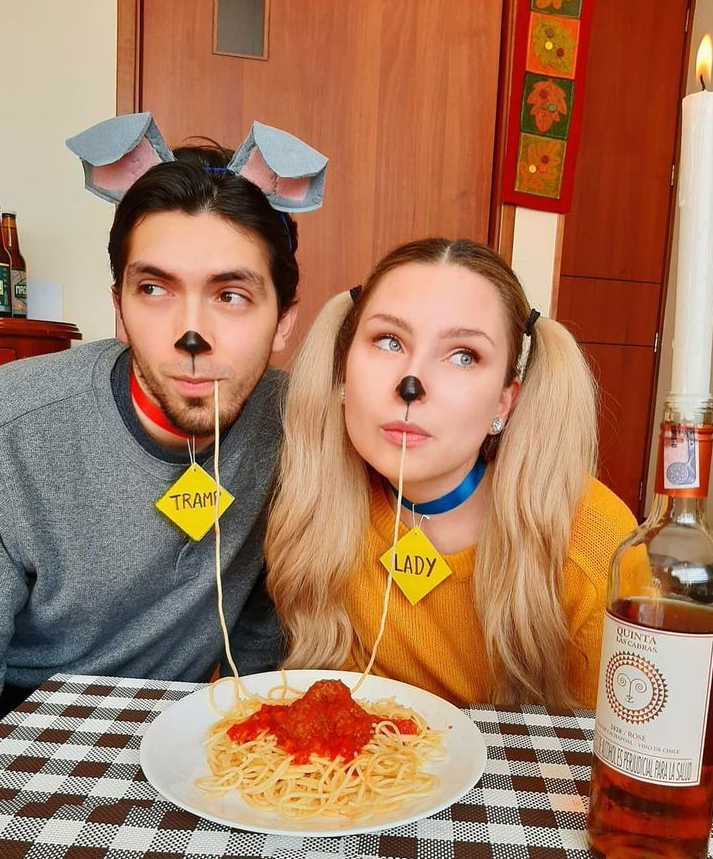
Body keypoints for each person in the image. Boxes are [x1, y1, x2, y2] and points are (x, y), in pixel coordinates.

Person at [0, 139, 306, 724]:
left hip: (186, 731)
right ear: (119, 307)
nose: (191, 335)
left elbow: (265, 632)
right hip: (22, 726)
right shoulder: (6, 432)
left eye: (231, 296)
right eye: (154, 290)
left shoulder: (294, 426)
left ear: (284, 320)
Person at [265, 238, 642, 709]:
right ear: (343, 370)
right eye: (388, 341)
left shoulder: (593, 546)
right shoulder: (313, 502)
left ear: (505, 402)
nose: (411, 384)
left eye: (464, 355)